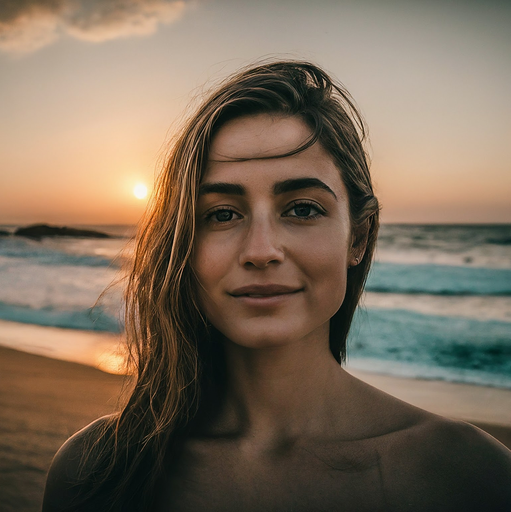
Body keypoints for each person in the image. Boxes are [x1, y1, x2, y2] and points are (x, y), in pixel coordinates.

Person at [43, 61, 511, 511]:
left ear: (359, 237)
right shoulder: (97, 472)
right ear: (183, 242)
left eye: (302, 209)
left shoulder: (469, 476)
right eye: (222, 214)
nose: (261, 250)